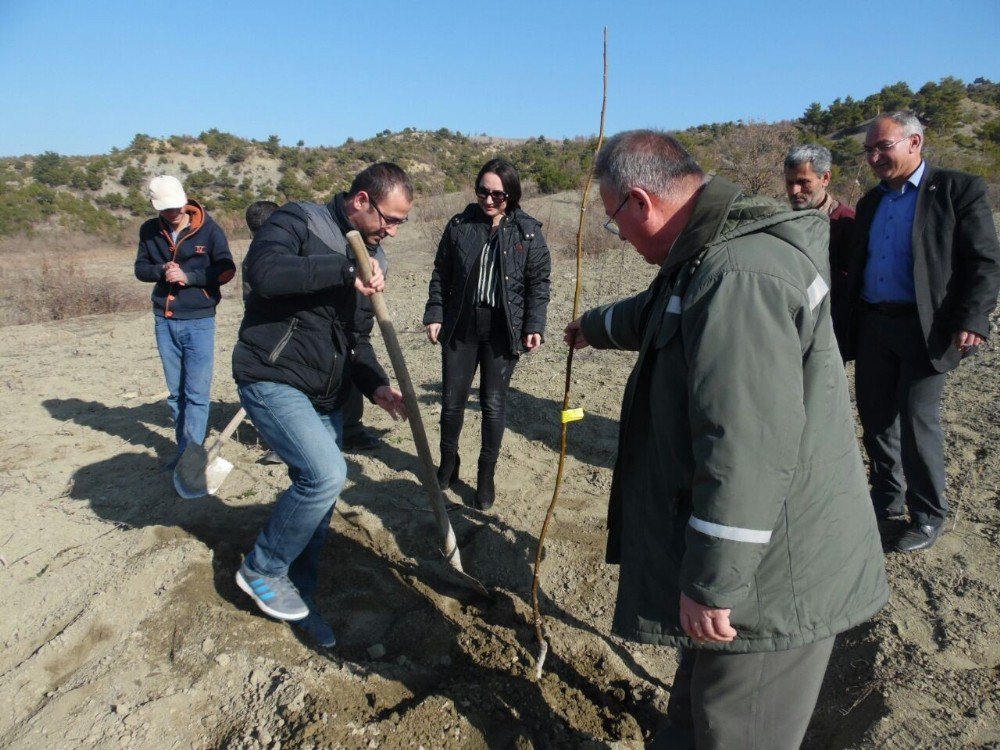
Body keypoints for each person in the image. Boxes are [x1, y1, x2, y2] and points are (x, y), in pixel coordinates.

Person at [563, 130, 888, 749]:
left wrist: (714, 583)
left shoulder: (738, 274)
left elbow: (747, 448)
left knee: (737, 730)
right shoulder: (707, 252)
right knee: (697, 715)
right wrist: (593, 326)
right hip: (750, 571)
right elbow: (661, 310)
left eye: (614, 224)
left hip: (770, 581)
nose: (622, 239)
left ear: (640, 201)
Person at [232, 163, 411, 647]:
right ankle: (263, 567)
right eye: (388, 220)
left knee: (318, 502)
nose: (392, 232)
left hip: (326, 393)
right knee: (327, 474)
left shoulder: (376, 259)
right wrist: (344, 267)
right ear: (360, 201)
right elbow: (264, 273)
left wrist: (375, 386)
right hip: (272, 376)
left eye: (401, 224)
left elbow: (357, 338)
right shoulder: (299, 221)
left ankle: (301, 601)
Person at [848, 111, 1000, 552]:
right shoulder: (871, 202)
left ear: (915, 143)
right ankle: (886, 500)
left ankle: (928, 514)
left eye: (883, 147)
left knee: (917, 422)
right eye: (869, 150)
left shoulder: (958, 190)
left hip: (925, 328)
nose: (874, 156)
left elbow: (984, 263)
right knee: (876, 419)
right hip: (874, 323)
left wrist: (973, 319)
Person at [423, 158, 551, 510]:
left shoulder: (528, 231)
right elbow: (441, 274)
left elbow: (538, 284)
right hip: (461, 326)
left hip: (501, 330)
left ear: (512, 193)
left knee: (493, 406)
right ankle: (448, 461)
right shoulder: (459, 224)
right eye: (483, 191)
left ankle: (485, 474)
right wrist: (435, 313)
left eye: (498, 194)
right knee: (451, 404)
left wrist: (534, 325)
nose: (489, 199)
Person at [134, 175, 235, 469]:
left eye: (177, 206)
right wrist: (161, 269)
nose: (174, 212)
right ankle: (184, 450)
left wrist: (189, 278)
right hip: (164, 321)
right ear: (155, 207)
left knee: (196, 393)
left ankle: (192, 454)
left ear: (185, 199)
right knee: (176, 392)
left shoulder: (210, 230)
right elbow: (141, 269)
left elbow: (226, 270)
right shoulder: (149, 231)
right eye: (166, 208)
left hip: (199, 320)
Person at [784, 144, 856, 358]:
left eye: (803, 182)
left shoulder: (848, 224)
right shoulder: (784, 223)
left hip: (831, 333)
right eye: (790, 183)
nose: (795, 191)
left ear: (825, 179)